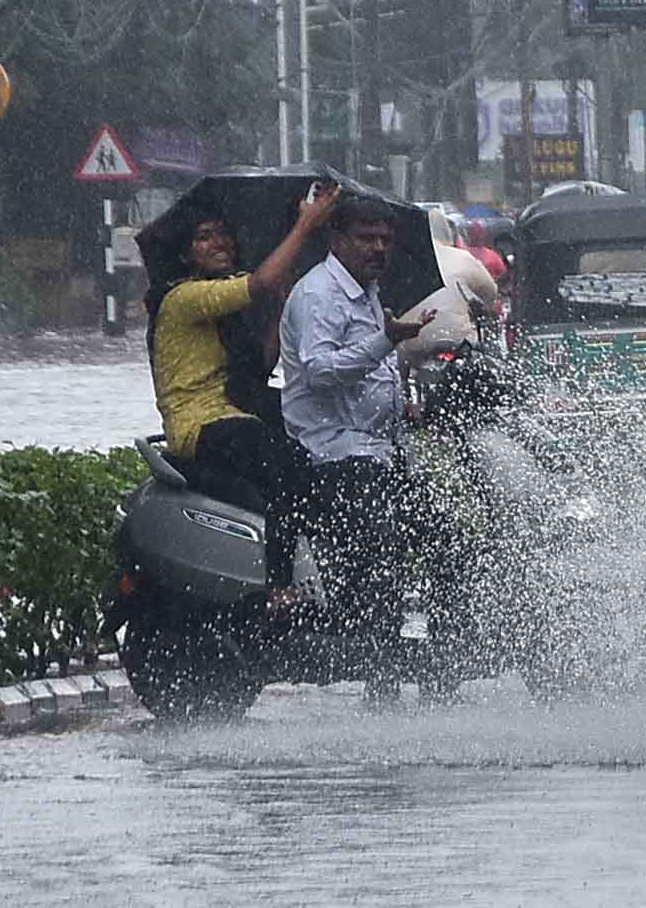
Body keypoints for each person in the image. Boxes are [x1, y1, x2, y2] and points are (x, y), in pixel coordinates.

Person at [144, 183, 340, 590]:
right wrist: (304, 225)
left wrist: (280, 316)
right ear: (185, 254)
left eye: (222, 233)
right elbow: (260, 283)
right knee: (285, 465)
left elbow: (258, 370)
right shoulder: (184, 298)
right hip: (202, 425)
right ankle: (280, 587)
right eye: (204, 237)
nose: (219, 243)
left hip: (231, 415)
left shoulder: (222, 312)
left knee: (312, 458)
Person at [279, 202, 445, 649]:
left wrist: (404, 407)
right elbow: (319, 371)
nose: (377, 248)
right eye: (366, 237)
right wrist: (385, 340)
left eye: (385, 240)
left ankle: (445, 655)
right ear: (336, 239)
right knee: (381, 547)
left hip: (378, 449)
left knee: (446, 529)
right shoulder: (319, 295)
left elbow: (373, 375)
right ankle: (374, 656)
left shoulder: (367, 290)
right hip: (334, 453)